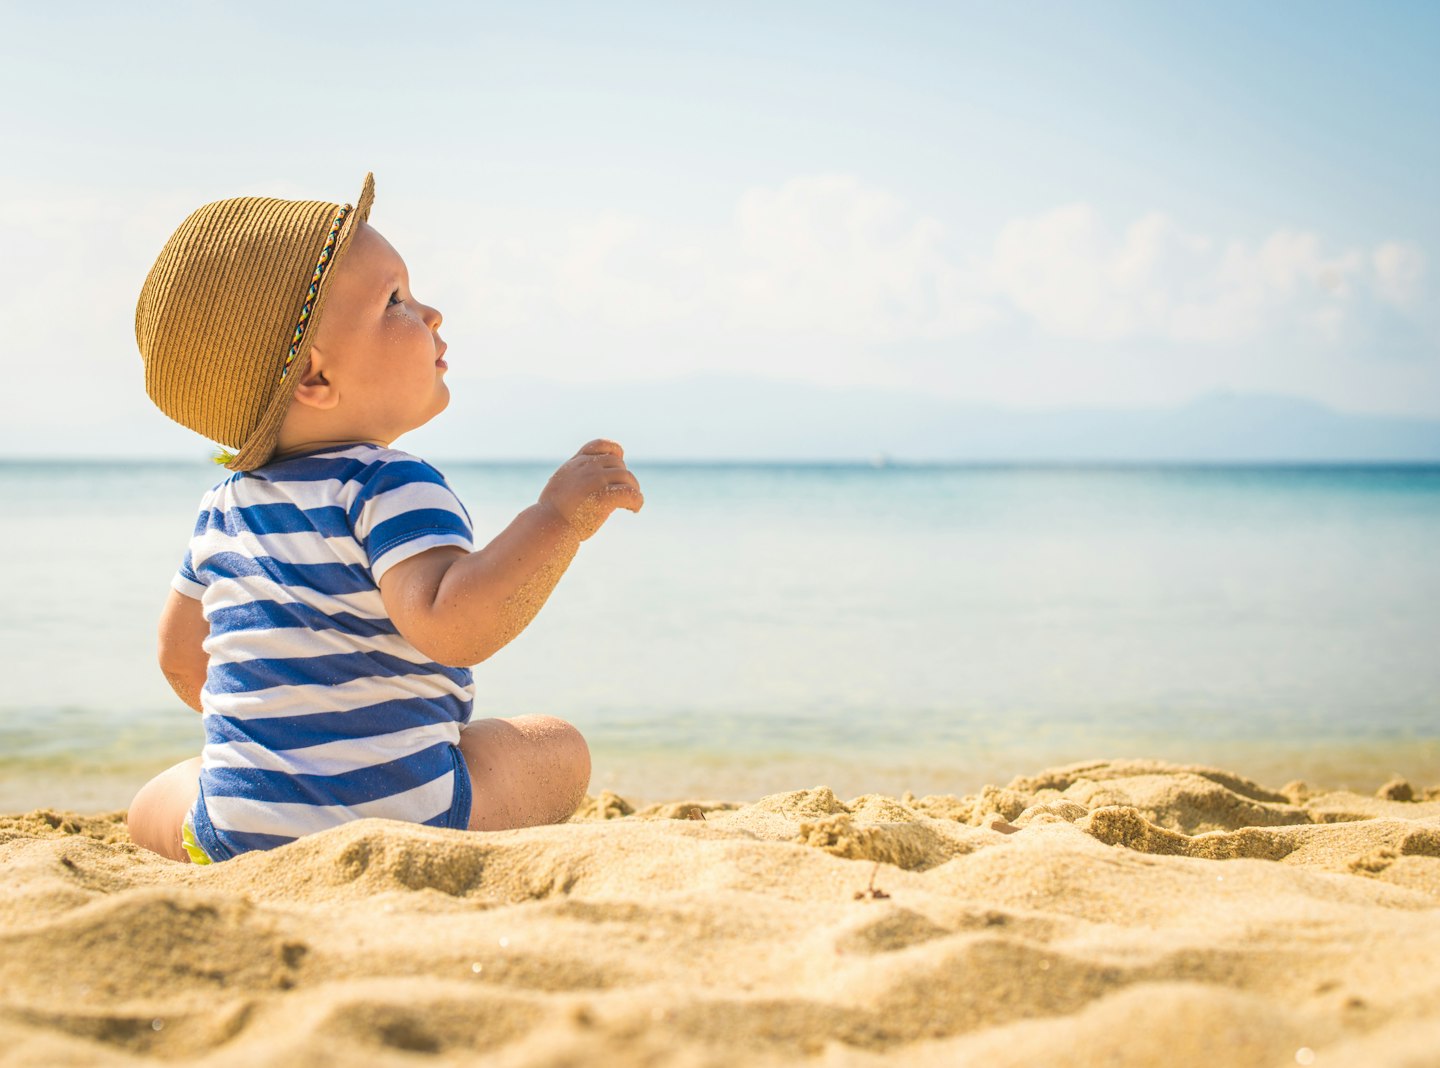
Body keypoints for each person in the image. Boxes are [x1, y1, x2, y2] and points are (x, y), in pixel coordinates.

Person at [126, 172, 642, 863]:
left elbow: (181, 659)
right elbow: (453, 623)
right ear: (315, 379)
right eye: (394, 300)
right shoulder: (387, 482)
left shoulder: (224, 506)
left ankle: (231, 821)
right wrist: (557, 519)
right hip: (408, 817)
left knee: (158, 799)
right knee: (556, 748)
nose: (430, 313)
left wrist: (289, 742)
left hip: (243, 830)